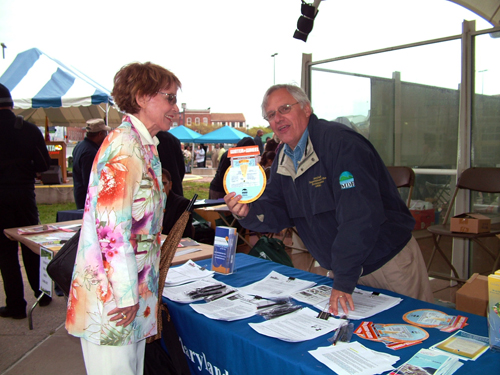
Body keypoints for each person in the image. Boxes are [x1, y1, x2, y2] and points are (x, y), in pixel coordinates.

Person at [224, 84, 433, 317]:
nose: (278, 118)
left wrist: (343, 280)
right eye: (271, 115)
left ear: (306, 108)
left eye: (284, 108)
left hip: (388, 264)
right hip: (345, 268)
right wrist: (247, 211)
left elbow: (359, 216)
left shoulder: (340, 143)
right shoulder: (284, 157)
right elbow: (277, 209)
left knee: (414, 334)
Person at [65, 62, 180, 375]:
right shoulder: (125, 146)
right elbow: (112, 231)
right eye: (169, 98)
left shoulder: (142, 145)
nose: (176, 108)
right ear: (142, 97)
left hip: (130, 293)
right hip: (114, 299)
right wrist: (127, 295)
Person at [0, 83, 53, 319]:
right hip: (23, 193)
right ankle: (42, 294)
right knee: (31, 245)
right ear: (11, 104)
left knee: (5, 253)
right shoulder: (29, 130)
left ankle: (15, 305)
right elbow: (43, 165)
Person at [72, 118, 111, 209]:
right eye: (105, 133)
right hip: (88, 198)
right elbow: (89, 180)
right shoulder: (90, 152)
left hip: (80, 193)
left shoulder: (80, 146)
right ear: (100, 134)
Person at [161, 169, 194, 238]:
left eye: (163, 183)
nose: (160, 188)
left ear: (170, 185)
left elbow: (181, 234)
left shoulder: (182, 204)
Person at [156, 130, 185, 196]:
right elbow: (181, 169)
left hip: (157, 192)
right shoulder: (173, 139)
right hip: (174, 188)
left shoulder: (147, 139)